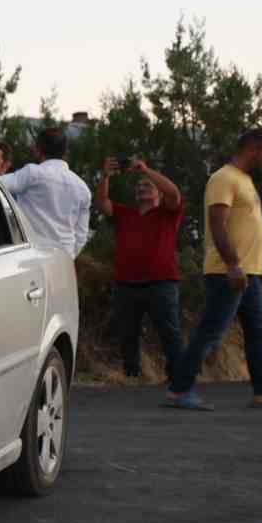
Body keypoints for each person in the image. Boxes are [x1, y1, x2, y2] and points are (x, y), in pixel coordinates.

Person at [166, 129, 262, 410]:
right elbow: (218, 224)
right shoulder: (223, 178)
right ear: (252, 150)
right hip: (228, 271)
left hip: (248, 272)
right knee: (211, 331)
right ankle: (180, 391)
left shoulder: (245, 181)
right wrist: (233, 265)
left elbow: (253, 226)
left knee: (259, 329)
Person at [96, 155, 184, 378]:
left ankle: (178, 377)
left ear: (158, 193)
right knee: (128, 334)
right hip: (126, 284)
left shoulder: (167, 213)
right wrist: (105, 175)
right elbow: (102, 204)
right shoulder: (126, 214)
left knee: (169, 332)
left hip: (161, 283)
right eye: (138, 186)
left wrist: (146, 170)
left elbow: (174, 193)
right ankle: (132, 375)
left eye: (147, 185)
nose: (141, 187)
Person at [0, 127, 92, 258]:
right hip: (64, 260)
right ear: (65, 152)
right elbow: (82, 236)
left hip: (32, 257)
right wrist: (69, 257)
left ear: (37, 149)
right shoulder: (83, 189)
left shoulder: (32, 173)